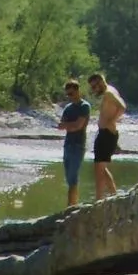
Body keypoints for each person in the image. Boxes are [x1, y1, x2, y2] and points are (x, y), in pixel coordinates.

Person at [87, 73, 126, 200]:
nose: (94, 90)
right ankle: (114, 195)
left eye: (94, 87)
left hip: (107, 133)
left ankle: (99, 199)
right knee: (101, 168)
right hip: (106, 133)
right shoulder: (111, 91)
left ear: (100, 83)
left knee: (99, 169)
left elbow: (122, 106)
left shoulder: (109, 93)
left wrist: (111, 121)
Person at [57, 78, 91, 208]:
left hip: (78, 145)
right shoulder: (68, 108)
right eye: (67, 94)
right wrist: (69, 125)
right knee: (69, 178)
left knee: (73, 177)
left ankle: (71, 205)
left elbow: (79, 125)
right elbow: (62, 125)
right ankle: (71, 204)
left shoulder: (84, 106)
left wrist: (68, 125)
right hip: (68, 144)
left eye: (71, 94)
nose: (69, 97)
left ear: (77, 91)